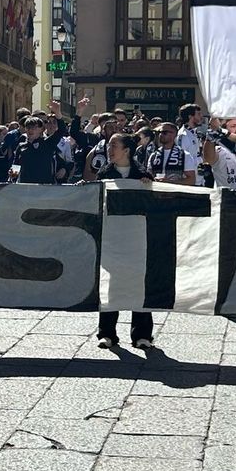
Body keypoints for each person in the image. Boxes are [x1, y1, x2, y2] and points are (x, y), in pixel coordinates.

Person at [96, 132, 155, 350]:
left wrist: (149, 185)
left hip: (137, 238)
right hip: (112, 238)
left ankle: (142, 335)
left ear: (127, 150)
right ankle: (107, 333)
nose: (109, 150)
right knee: (111, 286)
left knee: (140, 286)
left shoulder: (143, 175)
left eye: (114, 145)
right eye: (108, 145)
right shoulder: (104, 174)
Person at [12, 104, 72, 185]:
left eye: (34, 127)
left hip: (45, 188)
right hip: (26, 188)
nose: (31, 130)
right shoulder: (21, 146)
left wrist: (58, 113)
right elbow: (16, 166)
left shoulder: (48, 143)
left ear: (42, 129)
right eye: (28, 127)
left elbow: (61, 130)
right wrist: (12, 175)